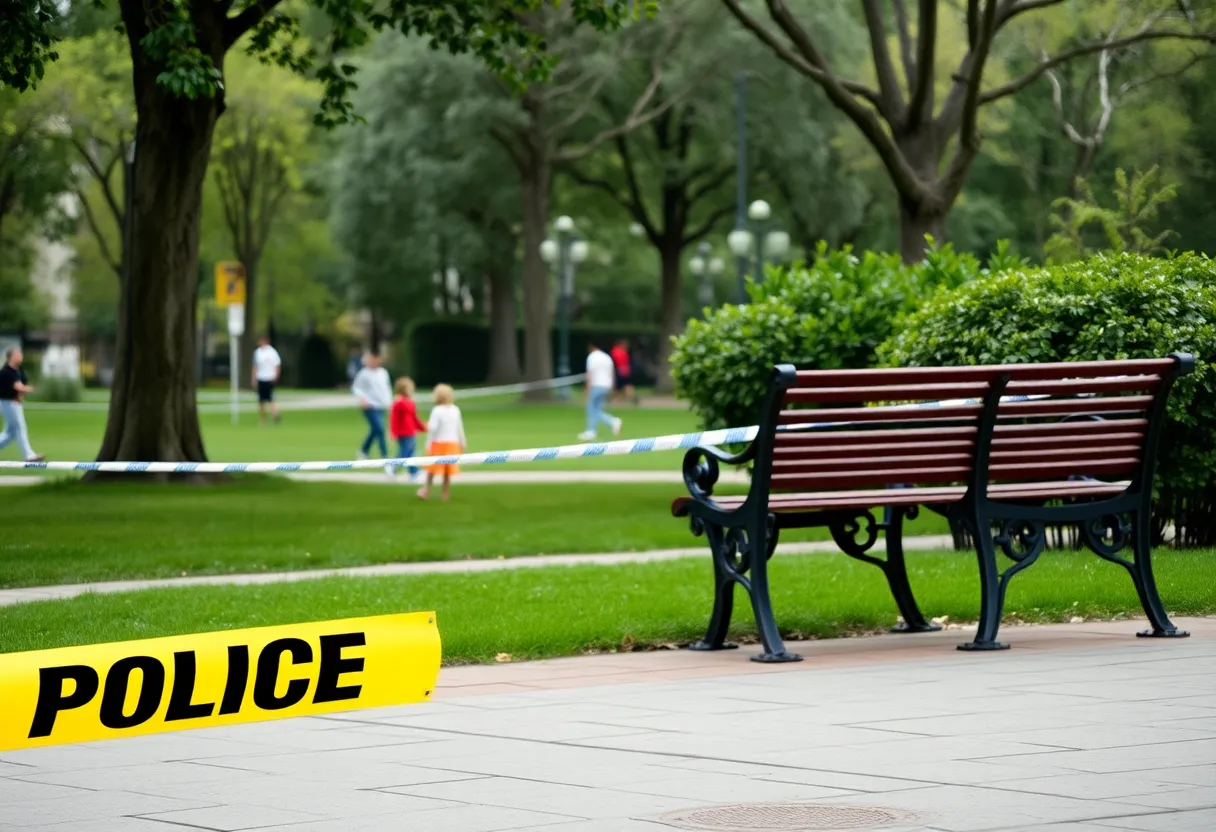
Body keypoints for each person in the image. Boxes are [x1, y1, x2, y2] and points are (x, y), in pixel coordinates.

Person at [418, 384, 466, 502]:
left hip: (438, 443)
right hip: (452, 443)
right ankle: (445, 494)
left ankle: (426, 490)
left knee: (431, 470)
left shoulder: (437, 410)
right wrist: (463, 443)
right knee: (447, 471)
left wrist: (425, 427)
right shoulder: (455, 409)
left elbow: (433, 429)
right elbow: (459, 428)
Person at [0, 348, 43, 463]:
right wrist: (33, 389)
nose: (20, 356)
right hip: (7, 403)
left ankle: (29, 454)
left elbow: (22, 384)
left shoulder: (19, 370)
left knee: (9, 434)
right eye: (18, 354)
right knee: (20, 427)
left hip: (16, 404)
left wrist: (21, 394)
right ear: (11, 357)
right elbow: (18, 386)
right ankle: (28, 455)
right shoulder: (7, 371)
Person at [351, 351, 392, 464]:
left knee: (375, 430)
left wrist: (389, 403)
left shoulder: (383, 373)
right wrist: (363, 399)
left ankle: (363, 450)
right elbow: (356, 388)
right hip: (370, 405)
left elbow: (386, 389)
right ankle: (385, 456)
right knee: (380, 429)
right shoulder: (364, 374)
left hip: (380, 405)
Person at [579, 341, 621, 441]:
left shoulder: (592, 357)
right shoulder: (607, 357)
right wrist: (612, 387)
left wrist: (587, 389)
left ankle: (596, 428)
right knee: (596, 408)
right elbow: (612, 373)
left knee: (591, 409)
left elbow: (590, 374)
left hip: (596, 385)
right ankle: (594, 429)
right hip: (606, 385)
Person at [389, 377, 427, 481]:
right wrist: (393, 432)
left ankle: (413, 472)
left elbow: (414, 418)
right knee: (405, 453)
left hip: (411, 432)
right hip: (402, 433)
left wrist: (422, 427)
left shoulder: (411, 402)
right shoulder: (398, 403)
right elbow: (394, 419)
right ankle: (393, 467)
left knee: (410, 452)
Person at [251, 334, 282, 425]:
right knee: (261, 400)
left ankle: (275, 415)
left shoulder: (272, 352)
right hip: (261, 377)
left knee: (271, 398)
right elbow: (255, 366)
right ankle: (262, 418)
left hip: (270, 378)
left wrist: (276, 375)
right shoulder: (258, 352)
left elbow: (277, 365)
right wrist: (254, 378)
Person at [609, 338, 638, 406]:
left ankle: (616, 400)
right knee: (626, 386)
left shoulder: (615, 351)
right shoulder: (624, 352)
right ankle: (630, 398)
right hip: (625, 371)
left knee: (617, 387)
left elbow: (614, 362)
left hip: (619, 370)